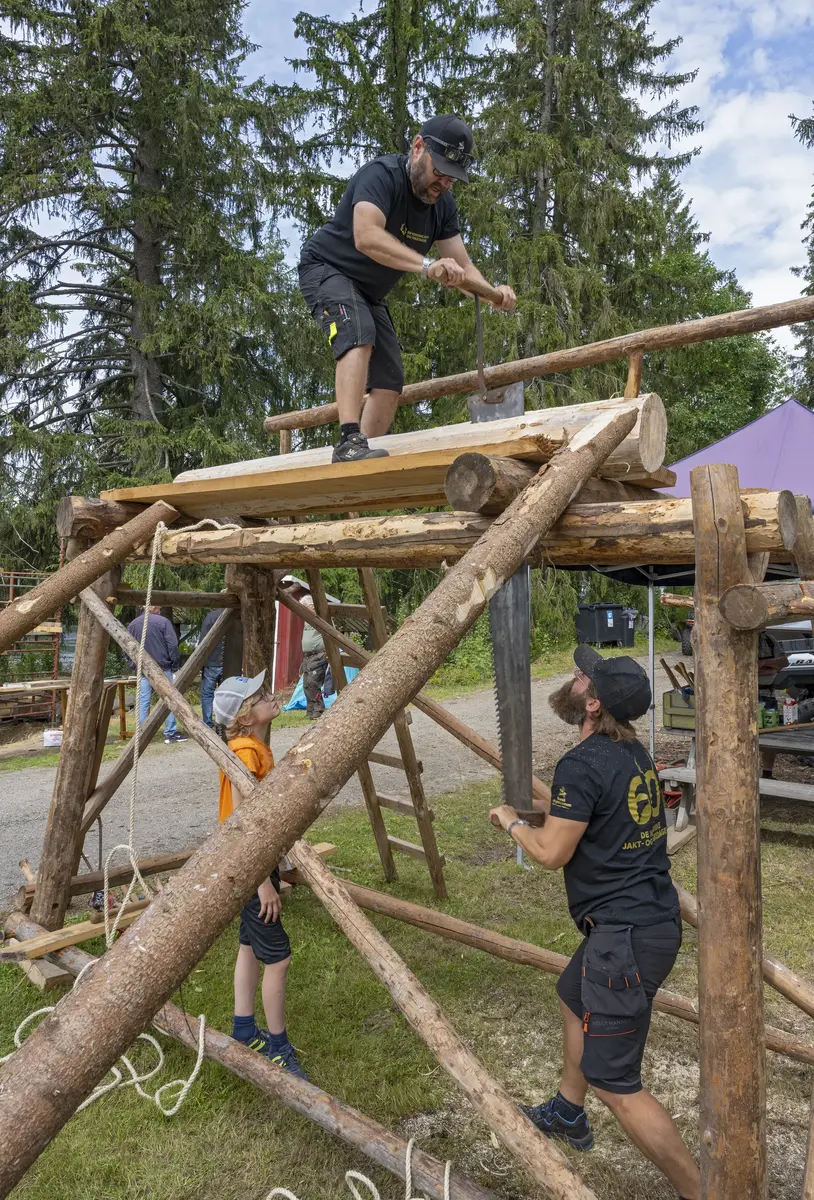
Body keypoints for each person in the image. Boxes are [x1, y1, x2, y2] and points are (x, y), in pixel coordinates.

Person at [489, 646, 699, 1200]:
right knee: (572, 994)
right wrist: (531, 788)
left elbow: (554, 850)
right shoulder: (631, 754)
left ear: (593, 704)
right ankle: (567, 1109)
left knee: (617, 1082)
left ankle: (704, 1192)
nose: (574, 677)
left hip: (625, 938)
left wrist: (512, 823)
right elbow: (580, 809)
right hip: (644, 921)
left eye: (582, 677)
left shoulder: (582, 766)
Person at [298, 113, 517, 463]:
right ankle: (348, 441)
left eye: (451, 178)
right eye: (439, 171)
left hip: (369, 292)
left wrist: (494, 293)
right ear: (418, 148)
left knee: (389, 382)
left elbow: (462, 268)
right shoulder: (380, 176)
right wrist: (428, 267)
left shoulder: (443, 207)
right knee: (357, 333)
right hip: (328, 269)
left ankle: (356, 460)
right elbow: (366, 236)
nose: (443, 183)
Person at [213, 670, 306, 1077]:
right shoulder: (246, 752)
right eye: (260, 696)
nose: (271, 696)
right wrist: (262, 882)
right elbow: (244, 820)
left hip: (247, 860)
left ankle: (244, 1028)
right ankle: (278, 1046)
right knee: (279, 959)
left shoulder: (251, 745)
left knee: (250, 946)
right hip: (247, 862)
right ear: (246, 718)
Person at [126, 605, 188, 744]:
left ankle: (142, 732)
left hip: (142, 668)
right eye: (159, 608)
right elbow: (172, 645)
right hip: (162, 666)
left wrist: (132, 663)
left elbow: (126, 646)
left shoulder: (133, 624)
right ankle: (170, 732)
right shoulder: (163, 622)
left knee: (143, 701)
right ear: (155, 609)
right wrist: (175, 665)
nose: (160, 610)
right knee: (168, 699)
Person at [281, 577, 328, 720]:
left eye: (305, 608)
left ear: (312, 607)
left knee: (314, 682)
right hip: (308, 656)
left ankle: (319, 709)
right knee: (307, 684)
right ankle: (310, 710)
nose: (303, 611)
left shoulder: (321, 617)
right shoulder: (308, 620)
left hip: (319, 654)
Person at [199, 606, 227, 728]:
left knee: (207, 694)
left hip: (211, 661)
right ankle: (224, 722)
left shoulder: (210, 617)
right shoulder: (237, 615)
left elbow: (203, 641)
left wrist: (201, 663)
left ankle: (208, 723)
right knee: (227, 694)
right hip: (230, 661)